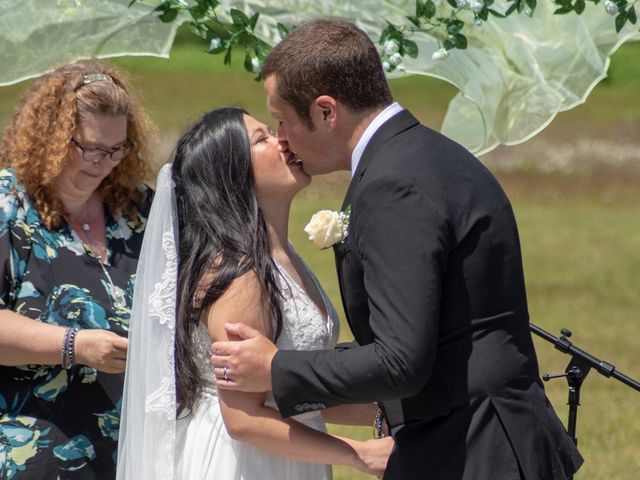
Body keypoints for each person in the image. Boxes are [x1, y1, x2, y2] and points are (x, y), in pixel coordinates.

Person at [210, 19, 585, 479]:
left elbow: (399, 361)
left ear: (327, 112)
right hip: (488, 435)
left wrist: (277, 369)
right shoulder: (426, 153)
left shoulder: (393, 185)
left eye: (283, 121)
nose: (282, 138)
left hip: (475, 449)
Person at [116, 108, 392, 479]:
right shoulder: (240, 275)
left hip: (290, 452)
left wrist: (386, 413)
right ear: (233, 175)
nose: (282, 140)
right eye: (261, 139)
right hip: (246, 462)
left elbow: (291, 392)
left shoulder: (281, 256)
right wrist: (359, 454)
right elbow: (243, 418)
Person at [0, 60, 153, 479]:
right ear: (51, 137)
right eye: (90, 148)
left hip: (135, 454)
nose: (104, 163)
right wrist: (74, 345)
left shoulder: (138, 210)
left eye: (117, 149)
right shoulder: (8, 206)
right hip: (33, 455)